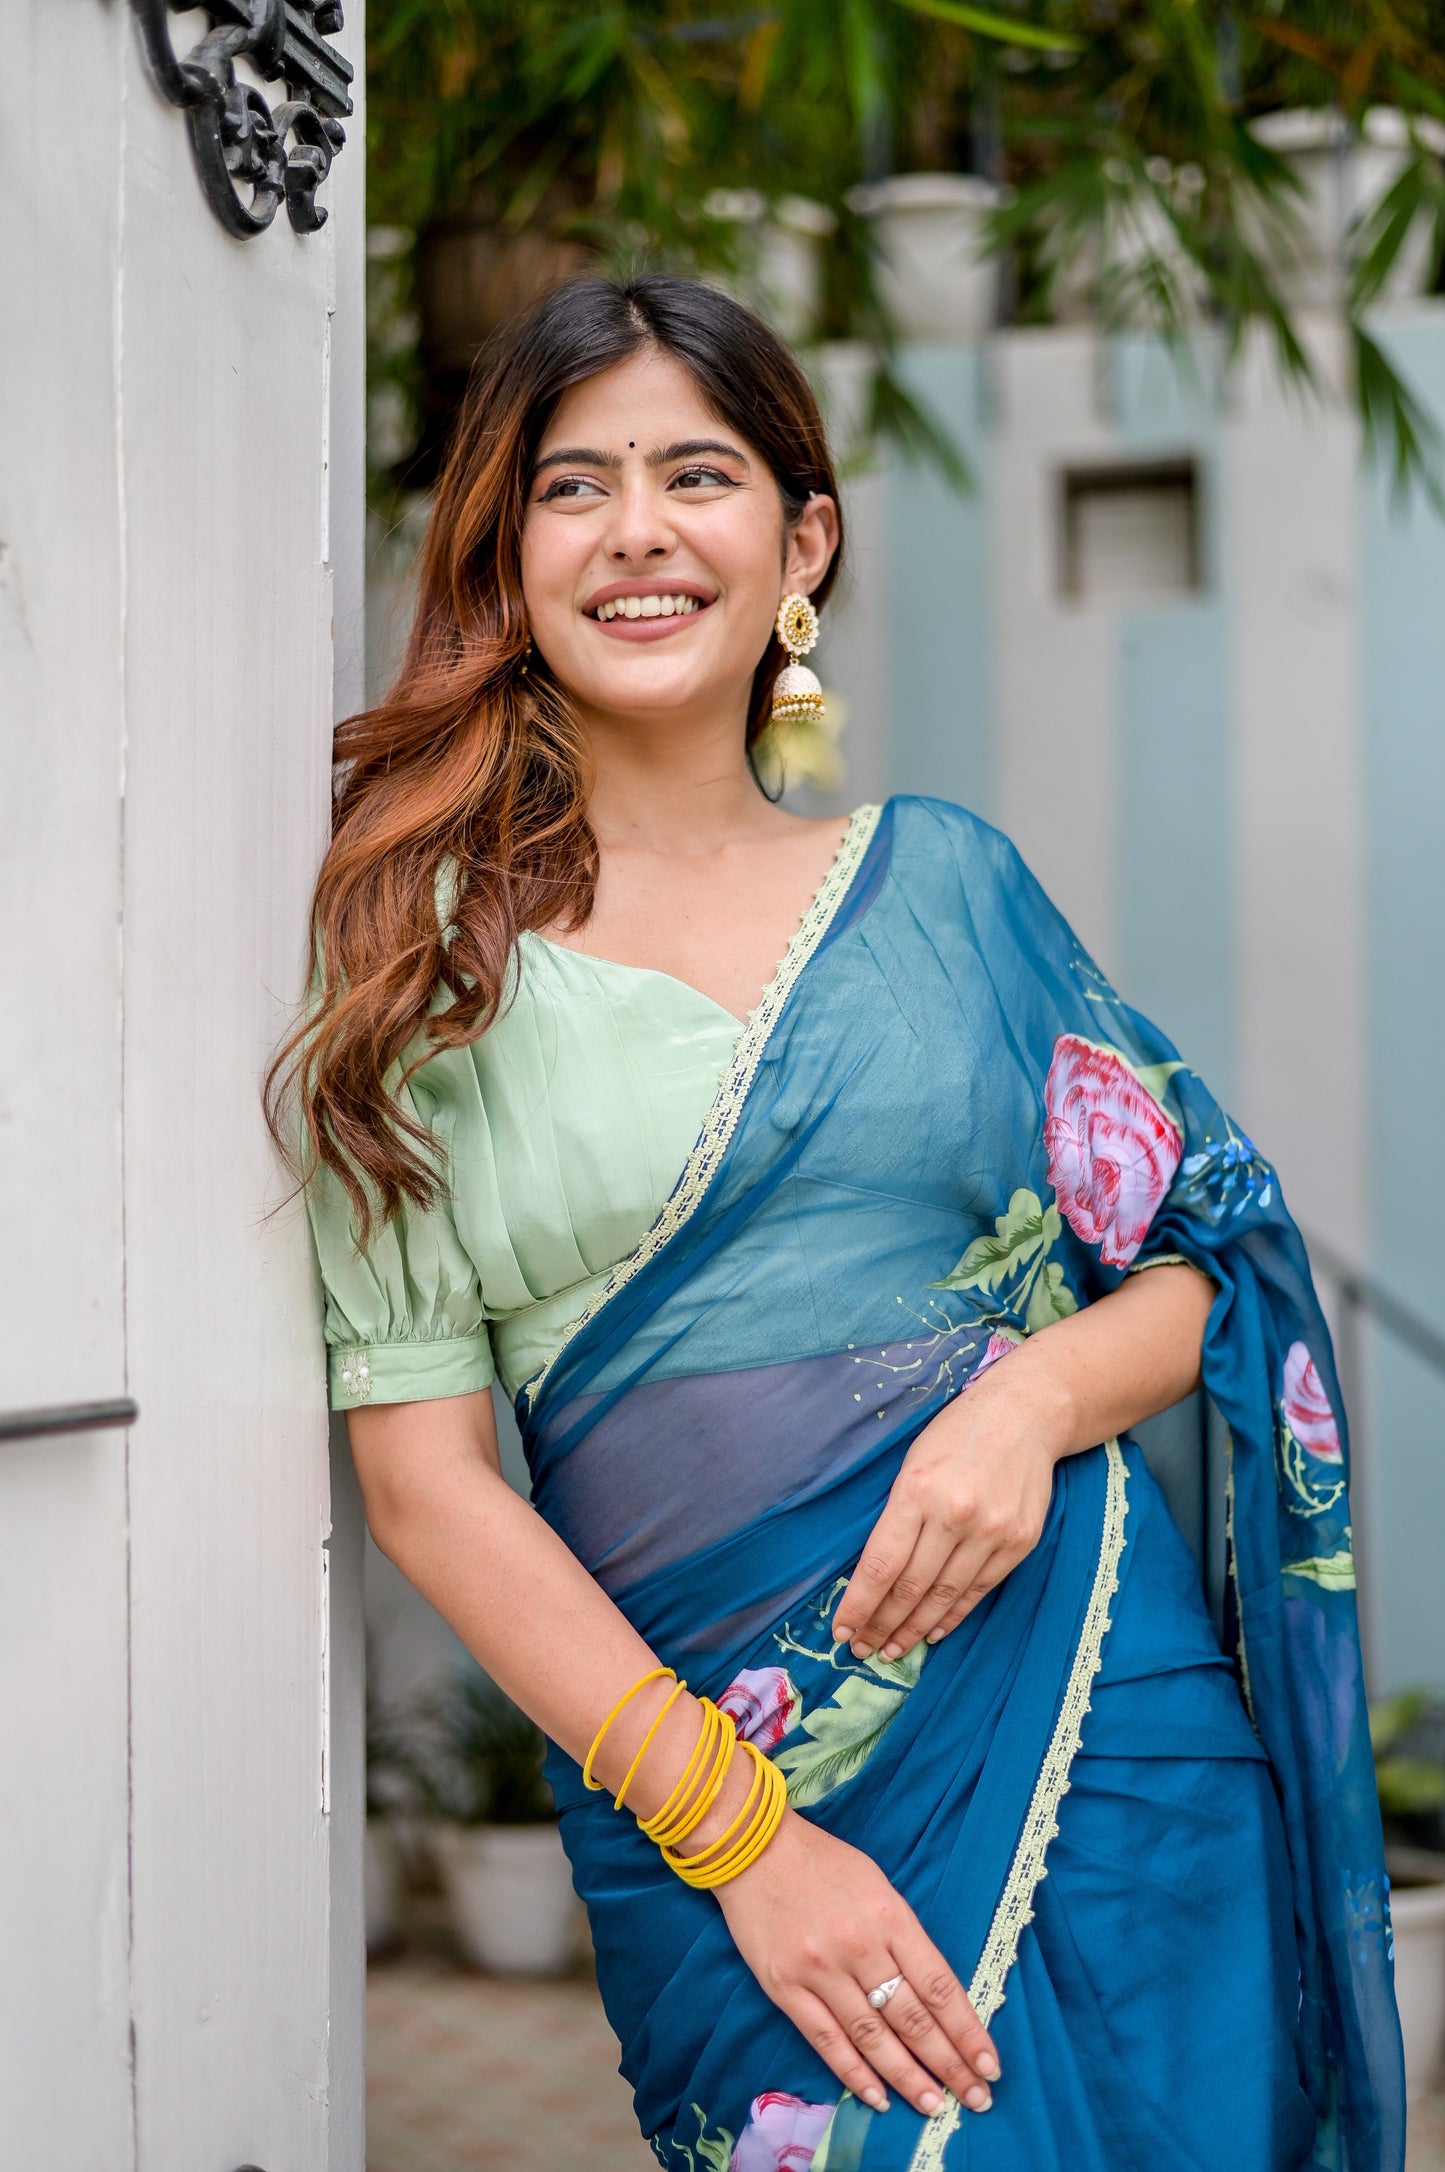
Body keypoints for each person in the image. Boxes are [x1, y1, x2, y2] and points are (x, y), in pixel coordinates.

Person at [269, 276, 1403, 2172]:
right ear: (507, 555)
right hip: (715, 1798)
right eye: (573, 486)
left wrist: (1024, 1405)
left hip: (1103, 1716)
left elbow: (1207, 1261)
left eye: (696, 475)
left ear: (800, 544)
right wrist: (745, 1844)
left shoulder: (946, 890)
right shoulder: (417, 960)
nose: (636, 531)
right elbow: (427, 1487)